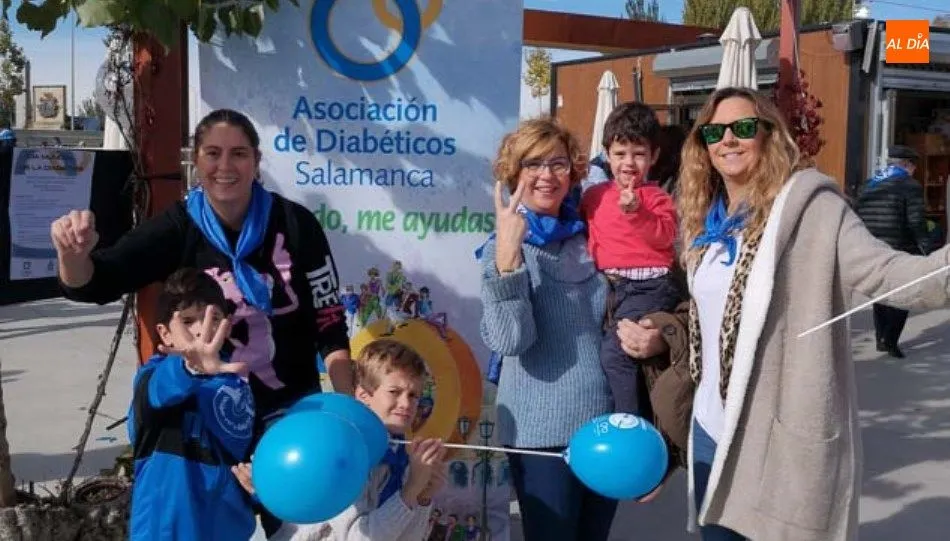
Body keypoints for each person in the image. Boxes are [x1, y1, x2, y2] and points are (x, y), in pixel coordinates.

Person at [50, 109, 353, 537]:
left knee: (304, 531)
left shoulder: (295, 224)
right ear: (196, 160)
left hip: (288, 415)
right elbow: (96, 282)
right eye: (213, 153)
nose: (225, 166)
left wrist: (348, 411)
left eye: (238, 153)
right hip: (215, 423)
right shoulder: (177, 228)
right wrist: (72, 255)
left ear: (257, 161)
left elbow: (329, 322)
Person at [676, 86, 950, 540]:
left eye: (743, 127)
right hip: (710, 431)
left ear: (768, 135)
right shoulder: (704, 220)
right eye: (714, 132)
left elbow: (889, 275)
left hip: (773, 439)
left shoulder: (812, 210)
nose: (728, 140)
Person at [477, 117, 618, 540]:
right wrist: (508, 262)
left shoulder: (591, 236)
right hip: (540, 431)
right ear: (513, 173)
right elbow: (511, 340)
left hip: (604, 423)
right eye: (533, 164)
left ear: (573, 172)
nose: (546, 175)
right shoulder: (503, 247)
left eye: (557, 163)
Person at [238, 339, 447, 541]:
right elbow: (358, 538)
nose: (406, 404)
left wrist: (422, 497)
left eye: (414, 395)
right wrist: (411, 490)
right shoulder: (343, 451)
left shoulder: (405, 457)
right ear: (364, 396)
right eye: (395, 392)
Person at [127, 267, 254, 540]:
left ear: (226, 326)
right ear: (165, 333)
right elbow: (158, 392)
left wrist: (259, 484)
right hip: (166, 531)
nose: (200, 330)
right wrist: (190, 368)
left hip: (227, 530)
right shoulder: (154, 378)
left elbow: (242, 459)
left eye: (212, 318)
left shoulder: (237, 386)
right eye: (187, 321)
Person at [580, 101, 682, 415]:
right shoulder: (594, 196)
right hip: (610, 289)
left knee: (615, 353)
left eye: (638, 154)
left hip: (650, 287)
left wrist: (638, 212)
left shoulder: (657, 198)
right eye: (620, 153)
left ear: (653, 156)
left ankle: (628, 422)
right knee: (608, 355)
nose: (629, 163)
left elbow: (665, 237)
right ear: (606, 155)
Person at [854, 144, 933, 358]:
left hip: (872, 246)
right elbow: (916, 221)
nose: (914, 171)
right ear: (906, 164)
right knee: (905, 293)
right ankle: (890, 340)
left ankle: (881, 338)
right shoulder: (910, 186)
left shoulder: (869, 184)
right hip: (899, 247)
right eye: (914, 166)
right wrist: (927, 249)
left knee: (880, 292)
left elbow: (857, 215)